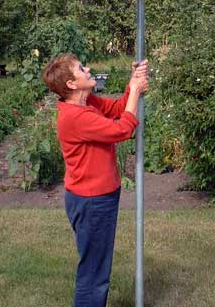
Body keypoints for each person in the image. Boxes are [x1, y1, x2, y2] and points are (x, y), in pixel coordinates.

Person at [42, 53, 149, 307]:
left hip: (98, 197)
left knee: (96, 267)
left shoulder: (85, 104)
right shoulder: (74, 117)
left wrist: (133, 83)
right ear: (71, 84)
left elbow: (118, 109)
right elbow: (122, 130)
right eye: (81, 68)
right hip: (92, 202)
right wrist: (134, 90)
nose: (88, 68)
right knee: (94, 274)